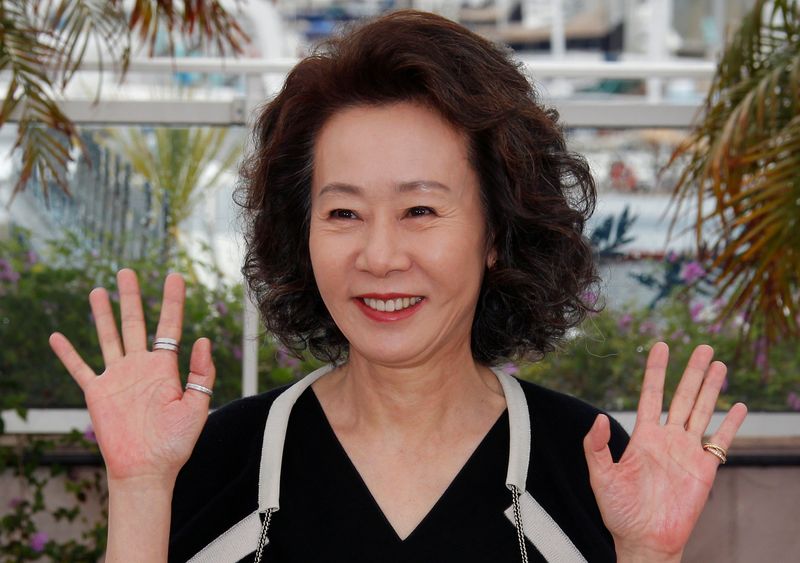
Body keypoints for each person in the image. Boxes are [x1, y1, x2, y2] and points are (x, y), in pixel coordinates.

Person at [49, 10, 747, 563]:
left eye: (420, 210)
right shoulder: (220, 461)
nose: (379, 256)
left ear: (496, 231)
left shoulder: (588, 467)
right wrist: (140, 487)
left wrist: (651, 552)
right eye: (343, 213)